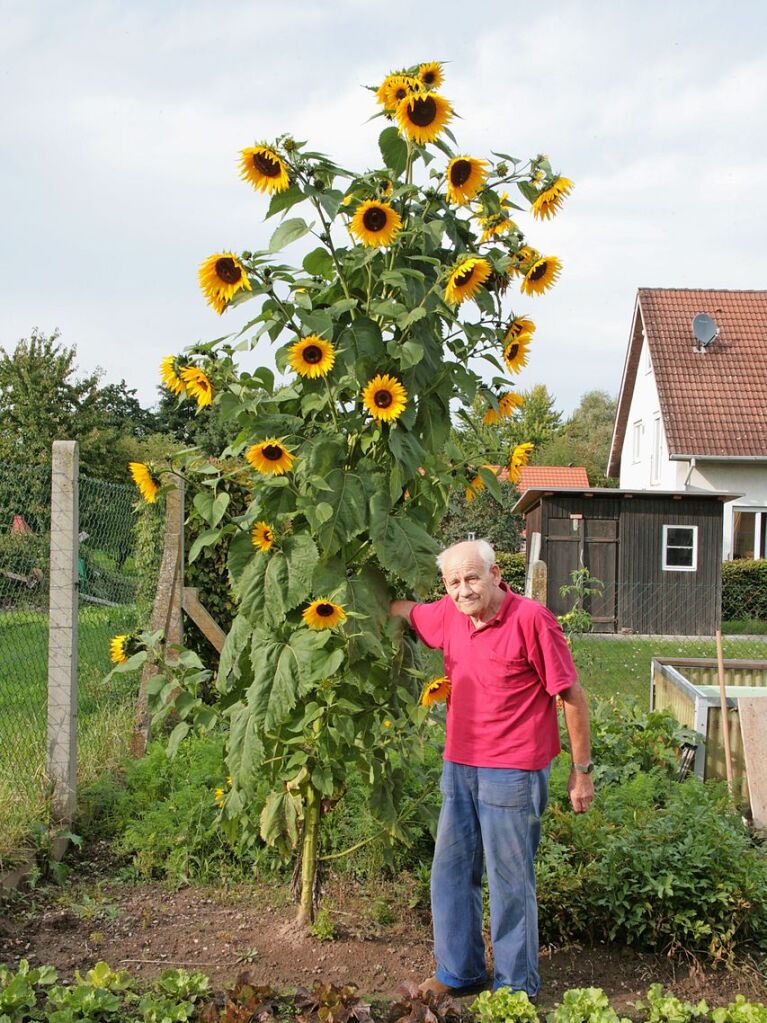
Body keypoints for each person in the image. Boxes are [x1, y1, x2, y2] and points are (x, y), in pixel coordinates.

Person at [389, 539, 594, 1000]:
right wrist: (368, 600)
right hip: (460, 766)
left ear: (496, 573)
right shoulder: (448, 614)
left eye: (472, 578)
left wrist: (581, 771)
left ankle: (514, 988)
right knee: (450, 871)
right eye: (454, 582)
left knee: (509, 880)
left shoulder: (531, 620)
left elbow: (573, 697)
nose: (463, 590)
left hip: (514, 771)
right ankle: (458, 972)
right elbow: (408, 610)